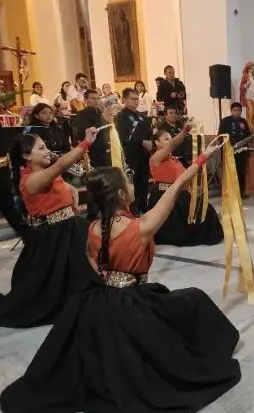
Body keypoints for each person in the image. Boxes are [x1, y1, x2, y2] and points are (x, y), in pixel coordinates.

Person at [1, 153, 241, 413]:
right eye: (128, 181)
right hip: (132, 303)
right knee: (193, 300)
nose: (132, 184)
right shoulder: (140, 227)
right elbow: (175, 190)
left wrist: (110, 278)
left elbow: (90, 259)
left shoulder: (93, 227)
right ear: (120, 194)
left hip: (103, 300)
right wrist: (199, 162)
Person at [0, 129, 100, 328]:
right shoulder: (30, 180)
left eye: (46, 146)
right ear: (27, 156)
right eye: (41, 148)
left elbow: (70, 189)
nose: (47, 151)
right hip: (53, 237)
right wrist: (85, 143)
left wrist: (72, 202)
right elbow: (62, 164)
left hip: (70, 228)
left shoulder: (46, 173)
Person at [148, 126, 223, 246]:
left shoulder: (174, 160)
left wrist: (204, 155)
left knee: (206, 210)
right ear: (157, 142)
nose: (170, 141)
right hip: (165, 196)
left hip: (179, 195)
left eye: (170, 138)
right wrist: (184, 132)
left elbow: (186, 175)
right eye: (166, 139)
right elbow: (173, 144)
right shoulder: (155, 158)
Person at [72, 89, 112, 220]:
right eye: (93, 98)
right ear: (86, 100)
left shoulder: (100, 112)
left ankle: (105, 210)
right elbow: (84, 133)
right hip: (92, 153)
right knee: (93, 184)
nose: (96, 101)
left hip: (104, 151)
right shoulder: (82, 114)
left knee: (105, 183)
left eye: (98, 98)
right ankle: (92, 214)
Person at [115, 87, 153, 214]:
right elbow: (123, 136)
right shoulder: (120, 116)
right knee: (133, 181)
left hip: (144, 154)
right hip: (130, 154)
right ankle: (132, 207)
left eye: (137, 99)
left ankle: (143, 205)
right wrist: (141, 141)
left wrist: (150, 140)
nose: (136, 101)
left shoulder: (141, 116)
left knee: (144, 181)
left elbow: (148, 132)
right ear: (125, 100)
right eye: (132, 99)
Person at [218, 102, 252, 198]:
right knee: (230, 172)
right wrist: (227, 146)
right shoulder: (225, 121)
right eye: (235, 110)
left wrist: (244, 129)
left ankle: (241, 192)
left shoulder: (243, 121)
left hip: (242, 151)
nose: (237, 112)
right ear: (231, 111)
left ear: (241, 111)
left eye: (239, 110)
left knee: (241, 172)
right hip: (229, 151)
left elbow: (248, 136)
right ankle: (230, 193)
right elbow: (220, 136)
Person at [239, 61, 254, 133]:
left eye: (253, 68)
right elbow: (241, 87)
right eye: (250, 68)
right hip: (248, 96)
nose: (252, 70)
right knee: (251, 112)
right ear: (247, 68)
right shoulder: (245, 76)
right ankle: (248, 128)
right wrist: (246, 84)